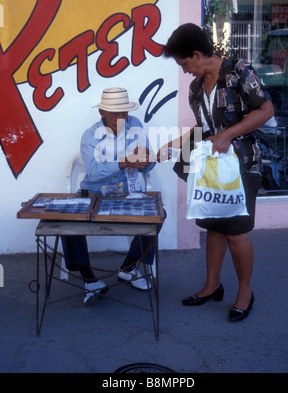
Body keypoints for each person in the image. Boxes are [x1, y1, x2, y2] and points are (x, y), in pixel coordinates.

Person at [160, 23, 275, 321]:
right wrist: (169, 147)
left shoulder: (239, 70)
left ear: (197, 54)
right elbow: (203, 131)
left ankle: (245, 291)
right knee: (213, 227)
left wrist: (228, 135)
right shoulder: (196, 88)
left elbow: (265, 110)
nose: (185, 71)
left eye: (185, 63)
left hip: (242, 165)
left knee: (236, 233)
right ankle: (212, 285)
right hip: (211, 169)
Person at [62, 87, 159, 306]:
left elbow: (148, 164)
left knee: (157, 215)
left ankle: (128, 268)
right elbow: (94, 172)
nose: (121, 118)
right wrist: (125, 161)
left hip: (127, 192)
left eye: (124, 112)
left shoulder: (135, 125)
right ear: (102, 113)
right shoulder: (90, 136)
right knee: (67, 220)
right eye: (115, 114)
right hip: (95, 192)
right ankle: (89, 280)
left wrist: (148, 159)